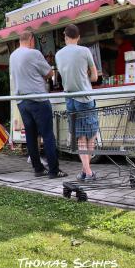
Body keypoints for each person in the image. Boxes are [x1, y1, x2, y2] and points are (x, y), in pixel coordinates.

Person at [10, 31, 68, 178]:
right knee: (48, 135)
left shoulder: (13, 56)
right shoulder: (33, 53)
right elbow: (49, 73)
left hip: (21, 101)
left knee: (30, 135)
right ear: (31, 40)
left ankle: (38, 169)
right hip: (38, 99)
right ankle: (54, 170)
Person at [56, 24, 99, 181]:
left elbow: (65, 76)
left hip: (70, 99)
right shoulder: (85, 51)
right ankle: (88, 172)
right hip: (85, 98)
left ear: (65, 37)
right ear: (79, 37)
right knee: (92, 134)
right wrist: (86, 74)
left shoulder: (58, 54)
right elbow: (95, 77)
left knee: (80, 137)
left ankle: (84, 171)